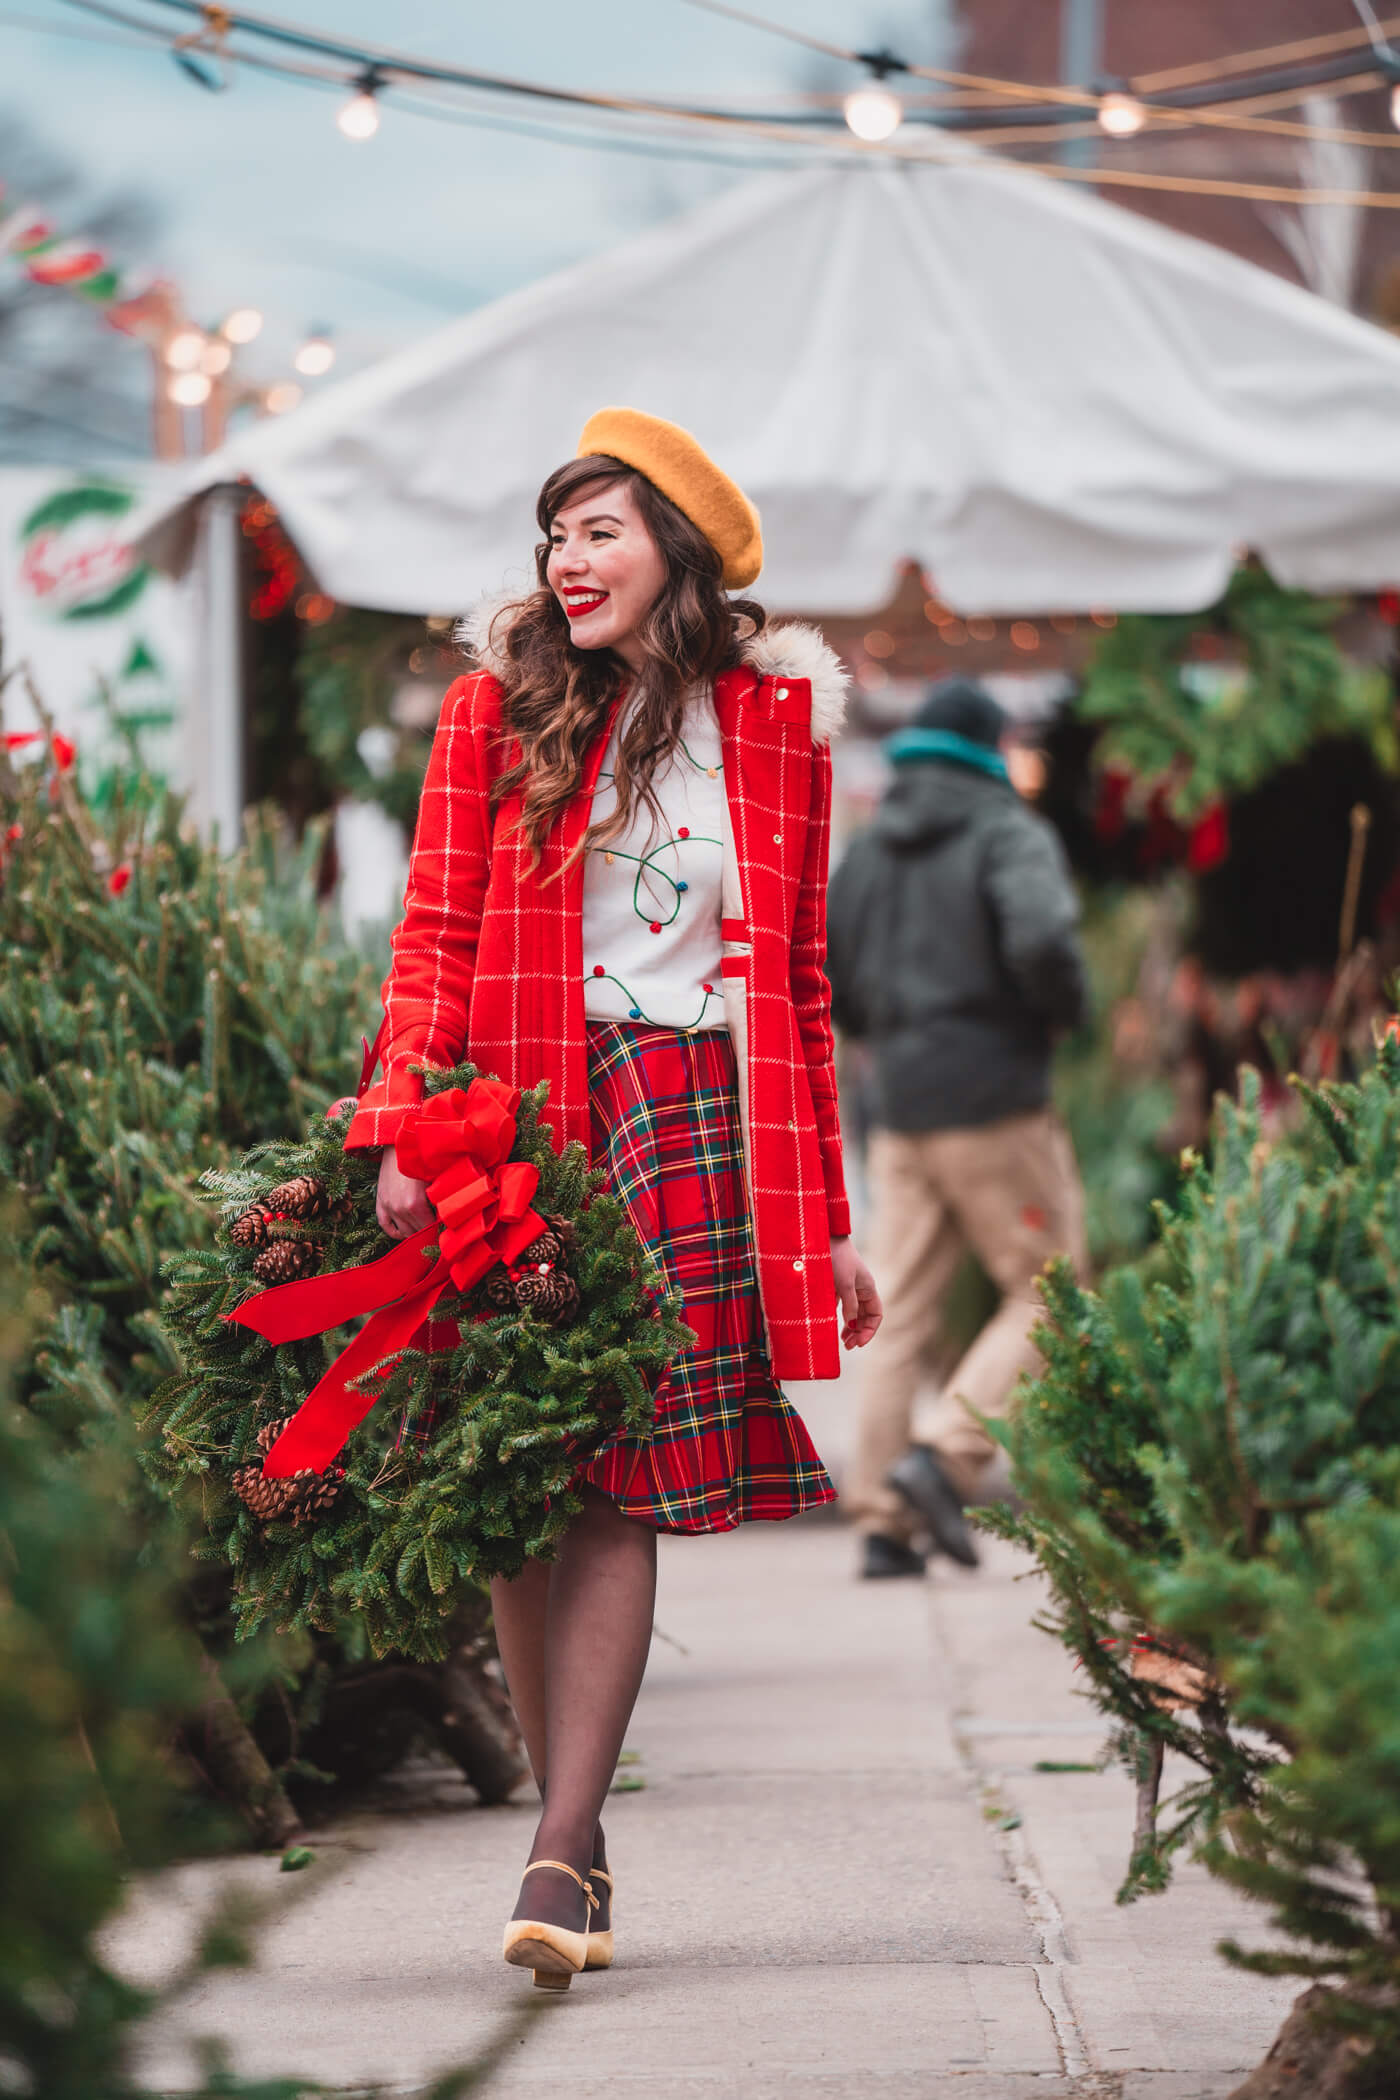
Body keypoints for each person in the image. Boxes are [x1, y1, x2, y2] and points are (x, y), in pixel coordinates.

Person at [344, 409, 882, 1987]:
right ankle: (563, 1820)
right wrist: (400, 1125)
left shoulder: (779, 728)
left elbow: (796, 975)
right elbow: (435, 930)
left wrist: (827, 1215)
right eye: (555, 536)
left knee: (623, 1467)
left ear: (680, 555)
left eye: (601, 533)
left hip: (698, 1124)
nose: (567, 562)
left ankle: (562, 1845)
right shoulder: (491, 716)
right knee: (530, 1469)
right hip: (525, 1116)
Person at [826, 677, 1087, 1580]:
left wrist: (886, 1036)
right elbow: (1046, 938)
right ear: (989, 748)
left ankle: (881, 1524)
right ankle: (943, 1456)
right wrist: (1059, 1016)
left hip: (898, 1099)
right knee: (1053, 1291)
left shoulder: (868, 850)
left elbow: (827, 968)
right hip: (995, 1099)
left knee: (895, 1307)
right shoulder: (1005, 830)